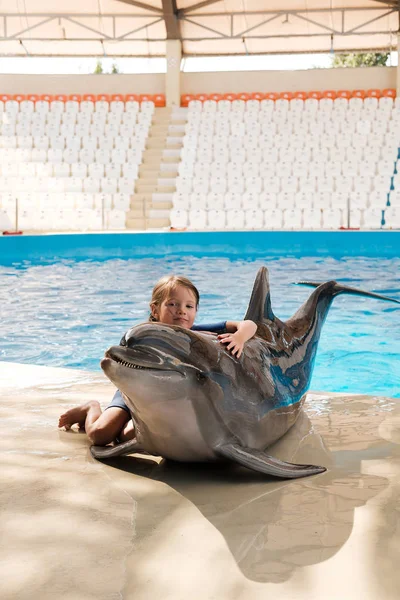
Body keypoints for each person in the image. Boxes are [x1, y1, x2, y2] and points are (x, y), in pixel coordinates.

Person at [58, 275, 257, 447]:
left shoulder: (195, 333)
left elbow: (249, 324)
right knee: (100, 435)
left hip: (167, 400)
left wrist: (239, 337)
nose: (181, 311)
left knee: (129, 437)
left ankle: (135, 423)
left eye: (189, 306)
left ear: (196, 310)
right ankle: (91, 407)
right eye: (172, 304)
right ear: (155, 309)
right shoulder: (144, 336)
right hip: (136, 393)